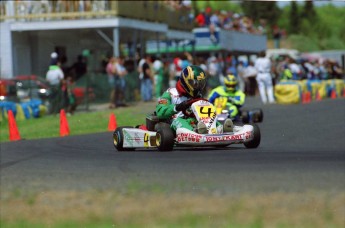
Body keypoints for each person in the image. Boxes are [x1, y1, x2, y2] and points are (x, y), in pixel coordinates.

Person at [156, 65, 234, 134]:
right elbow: (160, 111)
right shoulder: (171, 93)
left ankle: (220, 129)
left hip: (194, 121)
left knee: (209, 118)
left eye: (201, 83)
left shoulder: (197, 94)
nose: (198, 86)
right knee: (179, 121)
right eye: (195, 83)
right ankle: (195, 132)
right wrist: (177, 107)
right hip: (174, 123)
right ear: (187, 81)